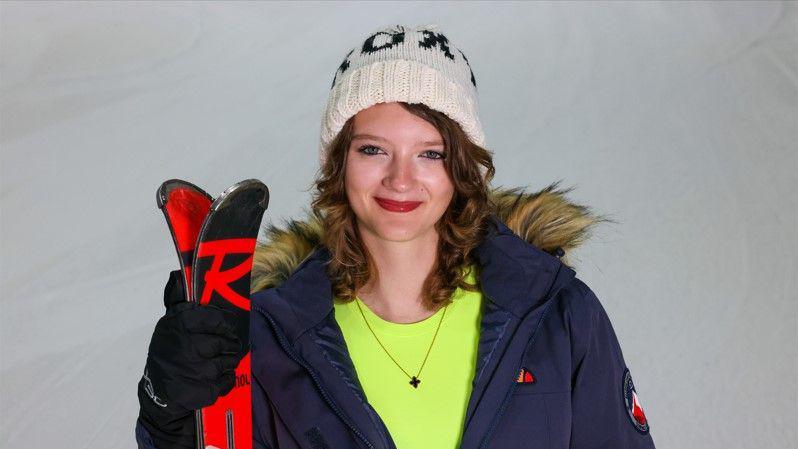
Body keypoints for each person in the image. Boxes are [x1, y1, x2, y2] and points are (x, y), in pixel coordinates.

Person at [136, 24, 656, 449]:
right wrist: (167, 409)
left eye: (430, 153)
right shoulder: (276, 337)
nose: (400, 179)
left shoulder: (554, 314)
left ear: (462, 169)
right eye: (372, 150)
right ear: (338, 165)